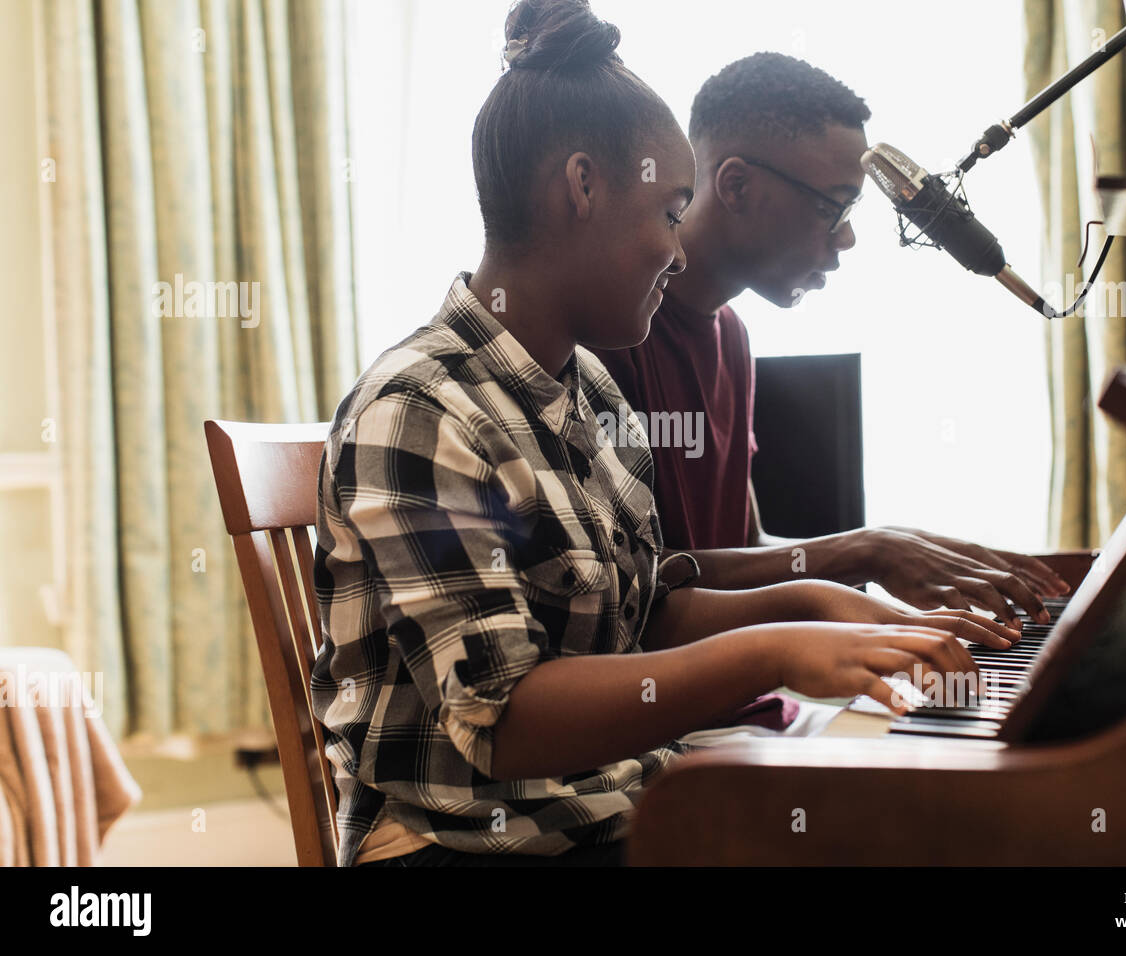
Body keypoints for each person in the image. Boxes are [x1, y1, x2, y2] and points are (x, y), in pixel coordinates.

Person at [312, 0, 1019, 868]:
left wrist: (818, 605)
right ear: (583, 188)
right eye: (671, 212)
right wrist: (775, 648)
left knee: (932, 820)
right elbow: (506, 720)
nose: (681, 254)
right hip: (462, 842)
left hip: (604, 803)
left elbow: (647, 611)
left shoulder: (589, 388)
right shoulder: (421, 411)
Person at [591, 53, 1071, 627]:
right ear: (736, 185)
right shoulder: (613, 336)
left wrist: (896, 545)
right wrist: (864, 550)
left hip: (747, 706)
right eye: (832, 206)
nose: (846, 238)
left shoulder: (732, 337)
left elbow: (747, 546)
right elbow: (638, 584)